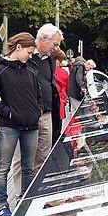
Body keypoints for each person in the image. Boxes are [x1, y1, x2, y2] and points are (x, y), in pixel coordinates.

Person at [0, 32, 42, 216]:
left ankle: (23, 201)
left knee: (28, 167)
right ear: (18, 47)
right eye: (29, 52)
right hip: (9, 127)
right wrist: (7, 112)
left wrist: (37, 111)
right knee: (3, 167)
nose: (31, 56)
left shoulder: (31, 71)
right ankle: (2, 205)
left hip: (31, 127)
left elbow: (39, 97)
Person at [30, 24, 63, 173]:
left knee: (44, 155)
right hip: (29, 113)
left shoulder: (50, 59)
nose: (56, 48)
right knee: (26, 157)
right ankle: (20, 193)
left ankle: (38, 189)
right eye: (54, 44)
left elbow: (50, 83)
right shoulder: (27, 56)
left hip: (47, 113)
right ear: (43, 38)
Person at [53, 47, 69, 120]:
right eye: (59, 60)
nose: (60, 63)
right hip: (60, 99)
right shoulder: (63, 72)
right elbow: (66, 87)